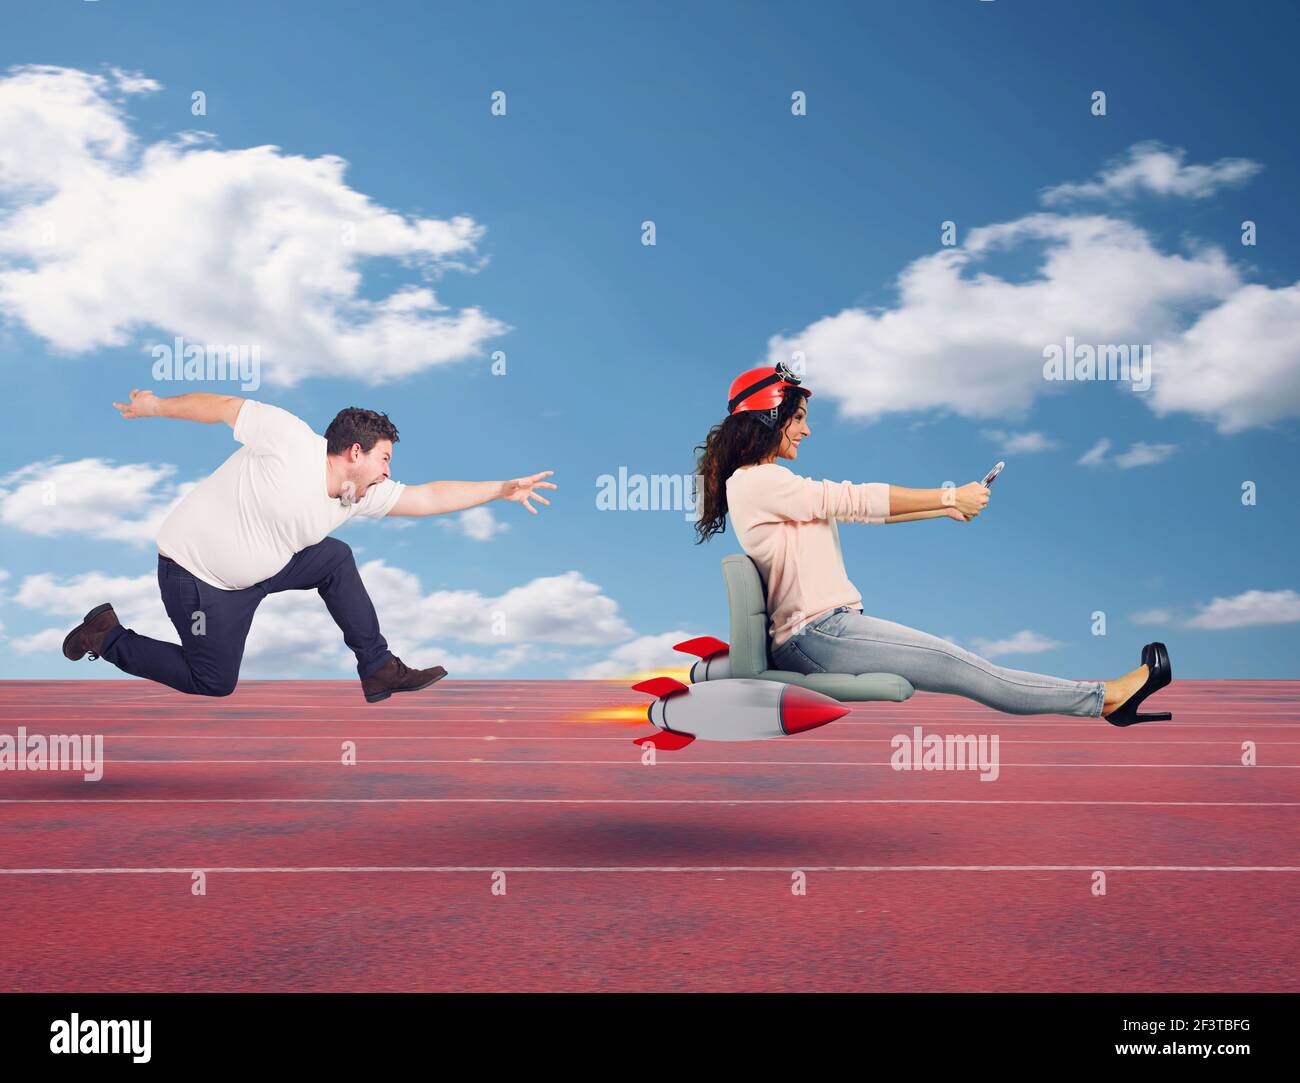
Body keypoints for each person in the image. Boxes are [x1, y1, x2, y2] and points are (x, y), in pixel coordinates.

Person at [692, 364, 1172, 726]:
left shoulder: (766, 484)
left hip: (826, 632)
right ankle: (1107, 698)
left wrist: (943, 508)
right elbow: (853, 498)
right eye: (797, 417)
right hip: (818, 635)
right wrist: (947, 494)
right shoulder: (758, 482)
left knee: (966, 667)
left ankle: (1105, 699)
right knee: (967, 669)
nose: (806, 429)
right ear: (768, 416)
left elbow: (855, 510)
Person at [61, 390, 557, 703]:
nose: (389, 472)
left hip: (263, 570)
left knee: (334, 559)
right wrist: (154, 407)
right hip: (198, 579)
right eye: (385, 459)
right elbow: (223, 408)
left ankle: (378, 669)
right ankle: (106, 637)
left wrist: (500, 488)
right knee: (212, 680)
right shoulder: (289, 441)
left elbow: (427, 497)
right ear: (354, 452)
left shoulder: (357, 493)